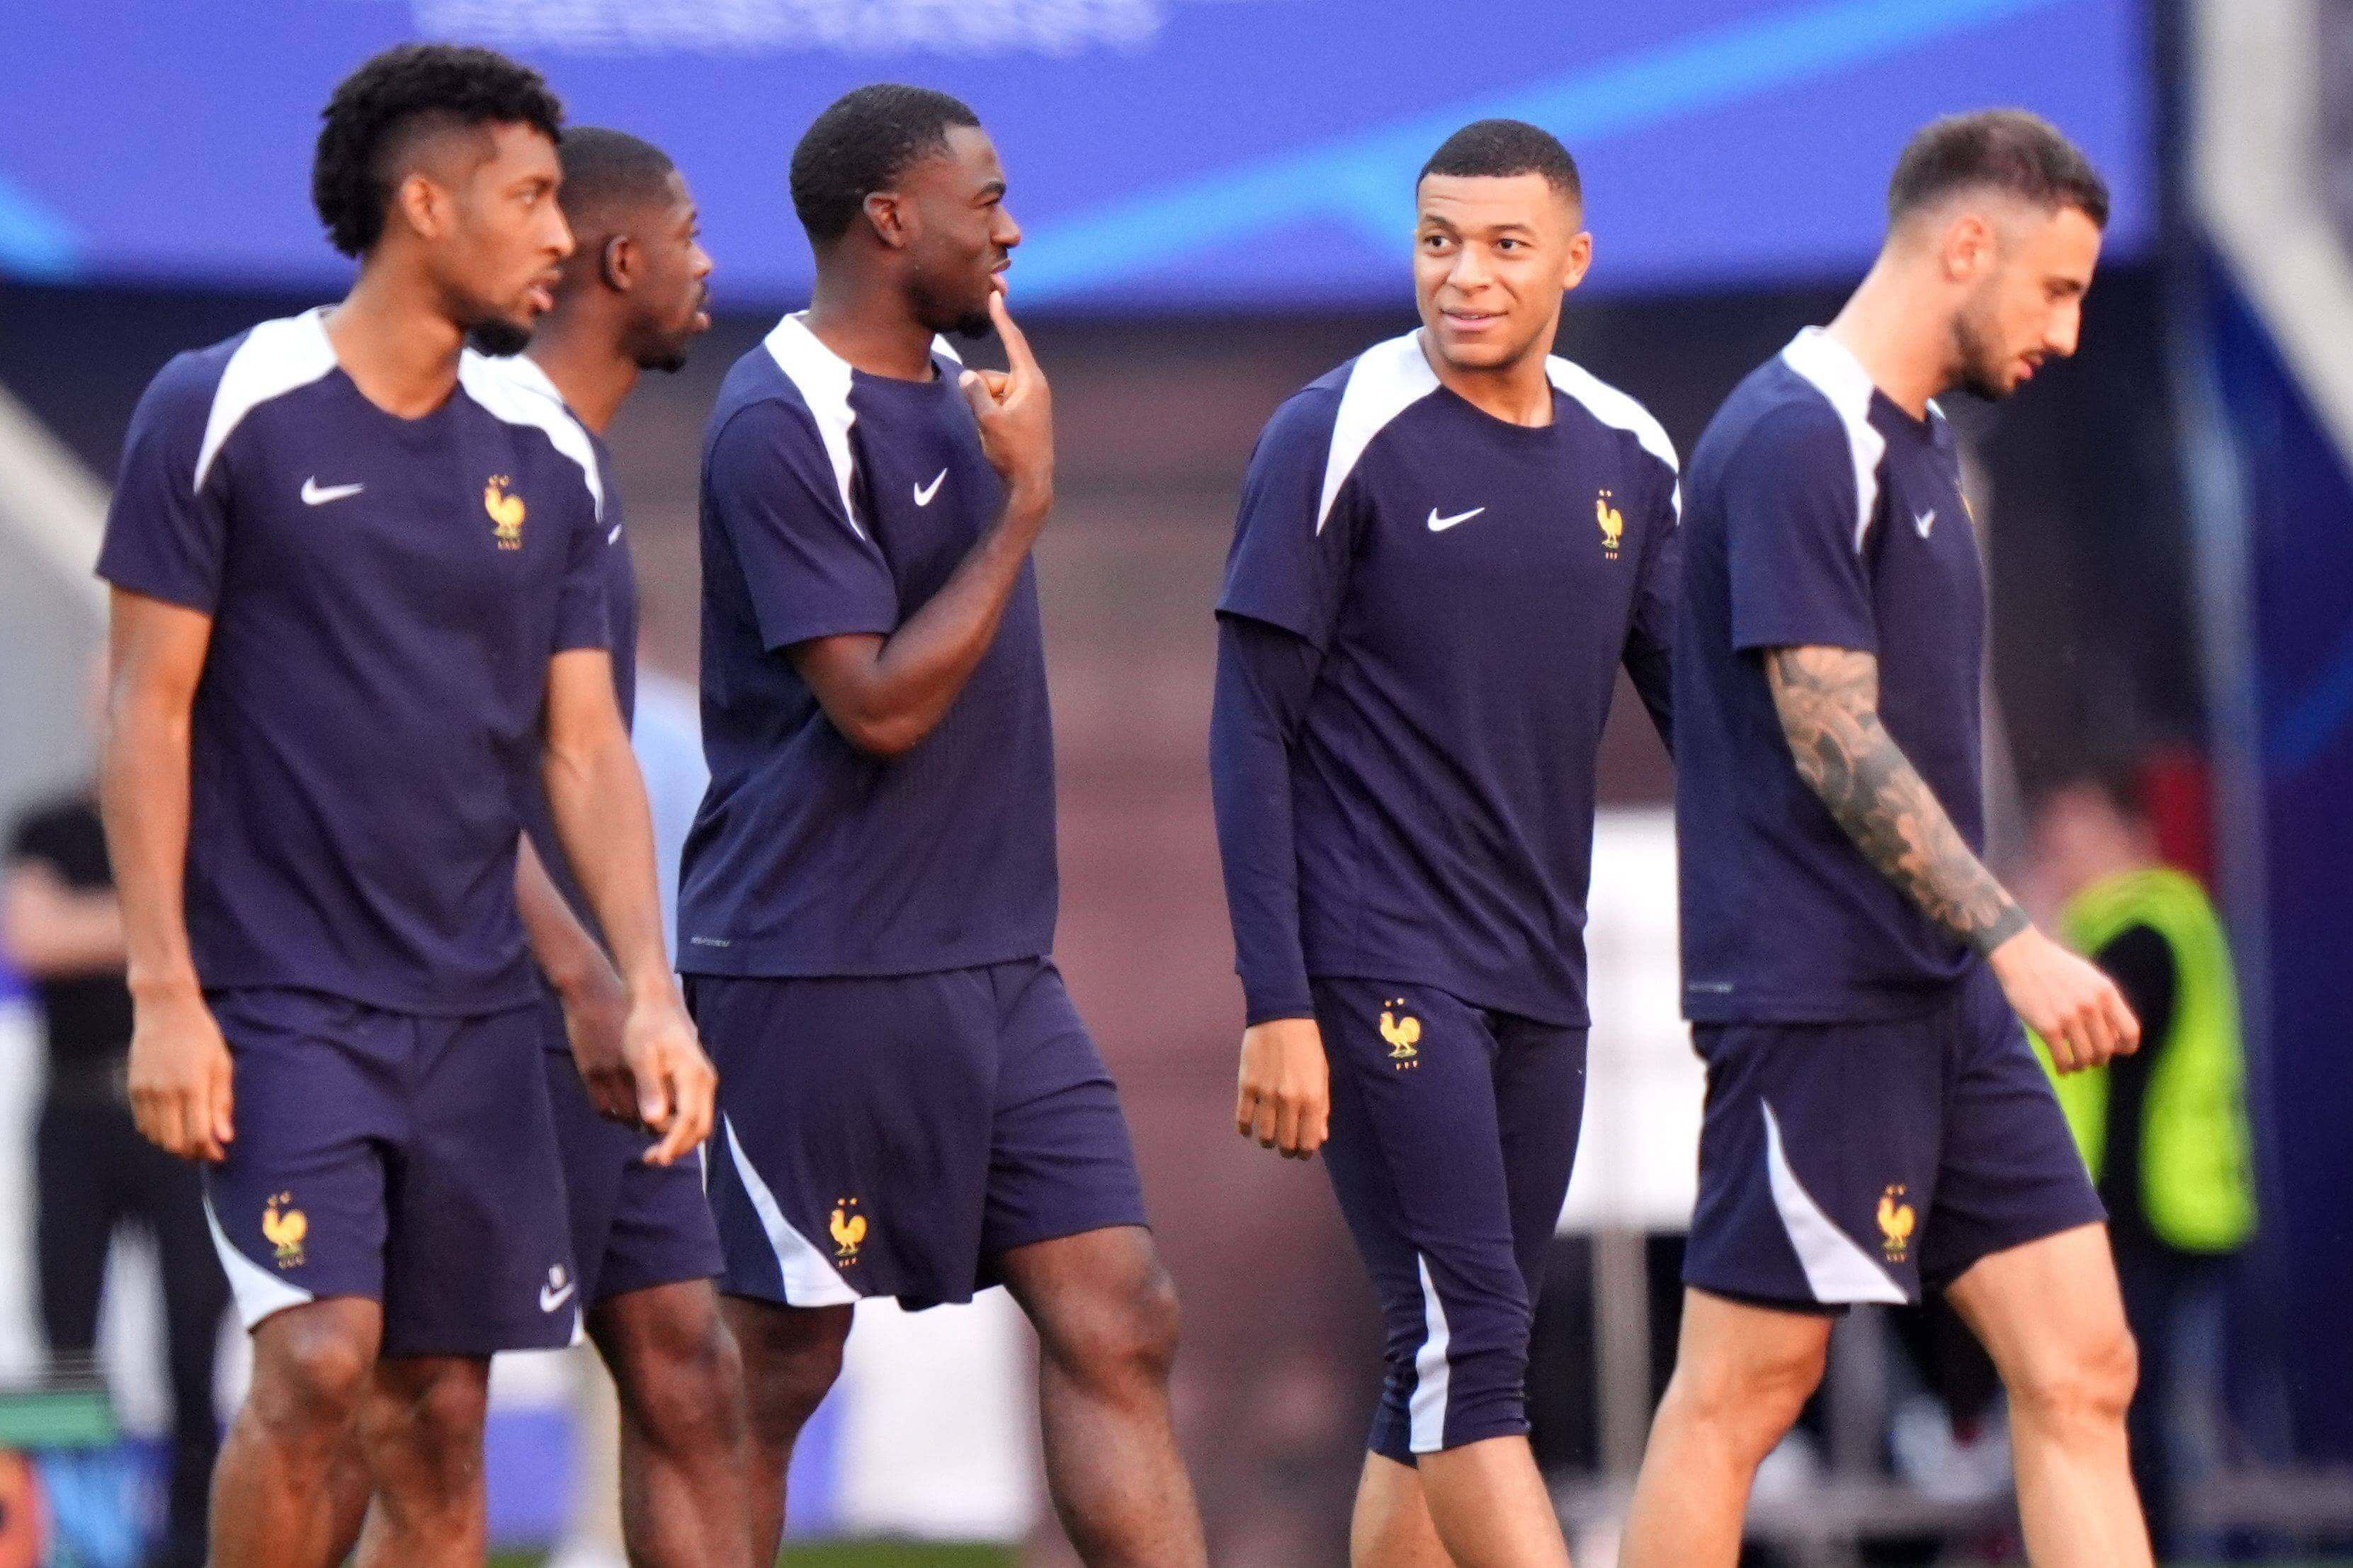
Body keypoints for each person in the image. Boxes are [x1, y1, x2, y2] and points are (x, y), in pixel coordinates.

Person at [94, 45, 715, 1568]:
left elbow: (582, 749)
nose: (559, 237)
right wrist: (164, 993)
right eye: (528, 199)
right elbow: (145, 706)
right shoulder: (224, 402)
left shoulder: (546, 455)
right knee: (314, 1364)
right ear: (422, 204)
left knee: (438, 1412)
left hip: (479, 1016)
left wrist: (646, 992)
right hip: (281, 1001)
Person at [676, 84, 1206, 1565]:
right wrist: (1023, 506)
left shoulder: (973, 388)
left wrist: (1006, 472)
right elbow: (878, 709)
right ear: (888, 219)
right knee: (772, 1369)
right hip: (812, 971)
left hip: (994, 969)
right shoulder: (777, 420)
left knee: (1120, 1309)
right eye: (985, 202)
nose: (1012, 227)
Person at [1622, 110, 2150, 1567]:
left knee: (2079, 1365)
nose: (2064, 327)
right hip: (1819, 1007)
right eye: (2053, 288)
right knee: (1740, 1396)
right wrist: (2012, 938)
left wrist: (1980, 957)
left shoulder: (1918, 448)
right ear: (1962, 245)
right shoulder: (1795, 436)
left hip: (1943, 1008)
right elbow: (1827, 733)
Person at [1209, 119, 1677, 1568]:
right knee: (1474, 1355)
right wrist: (1277, 1003)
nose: (1461, 276)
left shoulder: (1628, 453)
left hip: (1541, 980)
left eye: (1501, 246)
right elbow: (1246, 732)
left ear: (1571, 262)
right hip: (1376, 967)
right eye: (1435, 242)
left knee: (1438, 1361)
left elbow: (1714, 727)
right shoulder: (1332, 432)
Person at [4, 730, 228, 1568]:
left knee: (193, 1342)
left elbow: (234, 931)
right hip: (77, 1110)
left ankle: (194, 1540)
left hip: (186, 1118)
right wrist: (168, 917)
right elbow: (35, 937)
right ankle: (73, 1536)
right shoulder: (50, 825)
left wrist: (99, 921)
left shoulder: (212, 825)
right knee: (65, 1341)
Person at [2029, 769, 2255, 1552]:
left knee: (2133, 1410)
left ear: (2132, 836)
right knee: (2136, 1408)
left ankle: (2152, 1548)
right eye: (2054, 841)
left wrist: (2030, 941)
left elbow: (2102, 1034)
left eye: (2079, 837)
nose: (2064, 857)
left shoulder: (2140, 926)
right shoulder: (2125, 926)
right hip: (2146, 1210)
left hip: (2158, 1214)